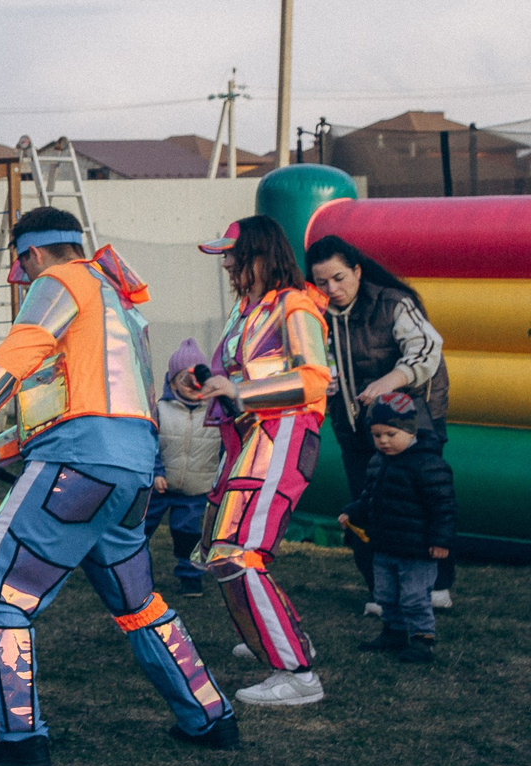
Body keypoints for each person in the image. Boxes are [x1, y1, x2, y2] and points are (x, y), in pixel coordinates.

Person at [0, 208, 236, 766]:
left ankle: (15, 737)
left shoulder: (60, 281)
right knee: (139, 604)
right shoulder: (114, 300)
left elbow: (23, 349)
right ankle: (210, 716)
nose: (24, 280)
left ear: (33, 254)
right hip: (131, 474)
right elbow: (80, 401)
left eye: (23, 267)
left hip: (75, 469)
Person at [183, 216, 334, 709]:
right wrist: (204, 385)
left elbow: (314, 379)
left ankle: (297, 672)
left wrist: (240, 391)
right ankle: (269, 639)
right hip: (249, 439)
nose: (227, 264)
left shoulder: (294, 303)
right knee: (222, 553)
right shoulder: (247, 309)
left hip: (282, 433)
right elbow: (234, 378)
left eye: (234, 254)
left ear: (261, 255)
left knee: (239, 552)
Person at [306, 233, 451, 608]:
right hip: (353, 426)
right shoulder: (314, 313)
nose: (332, 289)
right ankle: (380, 589)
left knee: (418, 501)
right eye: (322, 282)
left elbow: (426, 348)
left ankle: (435, 585)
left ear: (357, 271)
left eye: (339, 278)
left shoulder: (392, 303)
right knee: (366, 503)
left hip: (410, 423)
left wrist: (391, 381)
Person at [340, 394, 455, 664]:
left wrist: (441, 541)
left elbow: (444, 507)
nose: (383, 441)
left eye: (391, 434)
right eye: (377, 435)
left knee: (414, 597)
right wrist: (352, 511)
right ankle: (394, 632)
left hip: (417, 549)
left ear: (411, 430)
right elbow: (370, 497)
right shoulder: (378, 462)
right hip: (385, 545)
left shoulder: (428, 465)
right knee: (386, 595)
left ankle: (423, 639)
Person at [148, 337, 220, 595]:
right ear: (172, 382)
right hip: (160, 486)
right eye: (183, 378)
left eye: (197, 378)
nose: (191, 385)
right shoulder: (160, 410)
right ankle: (138, 577)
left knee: (188, 532)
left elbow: (226, 448)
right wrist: (156, 472)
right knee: (140, 530)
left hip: (195, 488)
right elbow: (149, 445)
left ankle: (191, 576)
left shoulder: (215, 412)